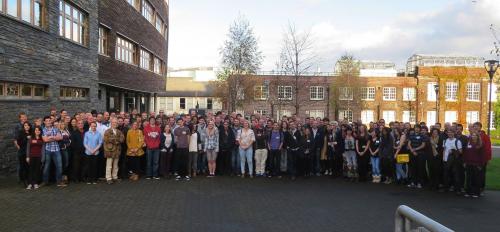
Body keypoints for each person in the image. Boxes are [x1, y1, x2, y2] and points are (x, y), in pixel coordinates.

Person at [42, 116, 65, 187]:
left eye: (49, 120)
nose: (48, 122)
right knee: (46, 167)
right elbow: (45, 140)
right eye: (47, 121)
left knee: (59, 166)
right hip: (48, 150)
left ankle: (59, 181)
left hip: (56, 150)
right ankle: (45, 181)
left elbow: (60, 137)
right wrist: (55, 137)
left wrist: (51, 137)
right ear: (44, 122)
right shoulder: (43, 130)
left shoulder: (56, 129)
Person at [103, 118, 125, 184]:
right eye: (113, 122)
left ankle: (114, 177)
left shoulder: (119, 131)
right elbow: (107, 139)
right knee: (109, 165)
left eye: (116, 122)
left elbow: (122, 139)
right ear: (111, 123)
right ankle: (108, 178)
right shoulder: (107, 131)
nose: (115, 124)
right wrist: (116, 140)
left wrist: (114, 139)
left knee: (116, 165)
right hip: (109, 151)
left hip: (117, 151)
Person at [464, 131, 485, 198]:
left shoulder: (480, 144)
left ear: (478, 136)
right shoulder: (468, 143)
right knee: (468, 178)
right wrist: (465, 162)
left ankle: (476, 192)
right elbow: (466, 153)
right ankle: (468, 192)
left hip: (477, 164)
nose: (473, 136)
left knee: (476, 179)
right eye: (472, 135)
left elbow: (482, 156)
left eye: (475, 135)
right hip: (469, 163)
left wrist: (481, 165)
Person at [442, 129, 463, 194]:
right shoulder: (445, 140)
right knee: (446, 175)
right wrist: (443, 158)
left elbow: (461, 151)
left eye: (451, 132)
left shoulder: (457, 141)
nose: (450, 134)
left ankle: (457, 189)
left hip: (454, 161)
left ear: (454, 133)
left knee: (456, 175)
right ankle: (446, 188)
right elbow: (444, 149)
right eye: (449, 133)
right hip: (446, 160)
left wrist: (453, 151)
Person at [16, 121, 31, 187]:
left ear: (29, 126)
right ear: (23, 126)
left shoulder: (31, 133)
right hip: (22, 153)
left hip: (29, 153)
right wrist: (26, 138)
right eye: (25, 125)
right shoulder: (21, 133)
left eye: (28, 125)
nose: (27, 126)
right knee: (23, 167)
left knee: (28, 167)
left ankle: (29, 180)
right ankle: (24, 181)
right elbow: (19, 143)